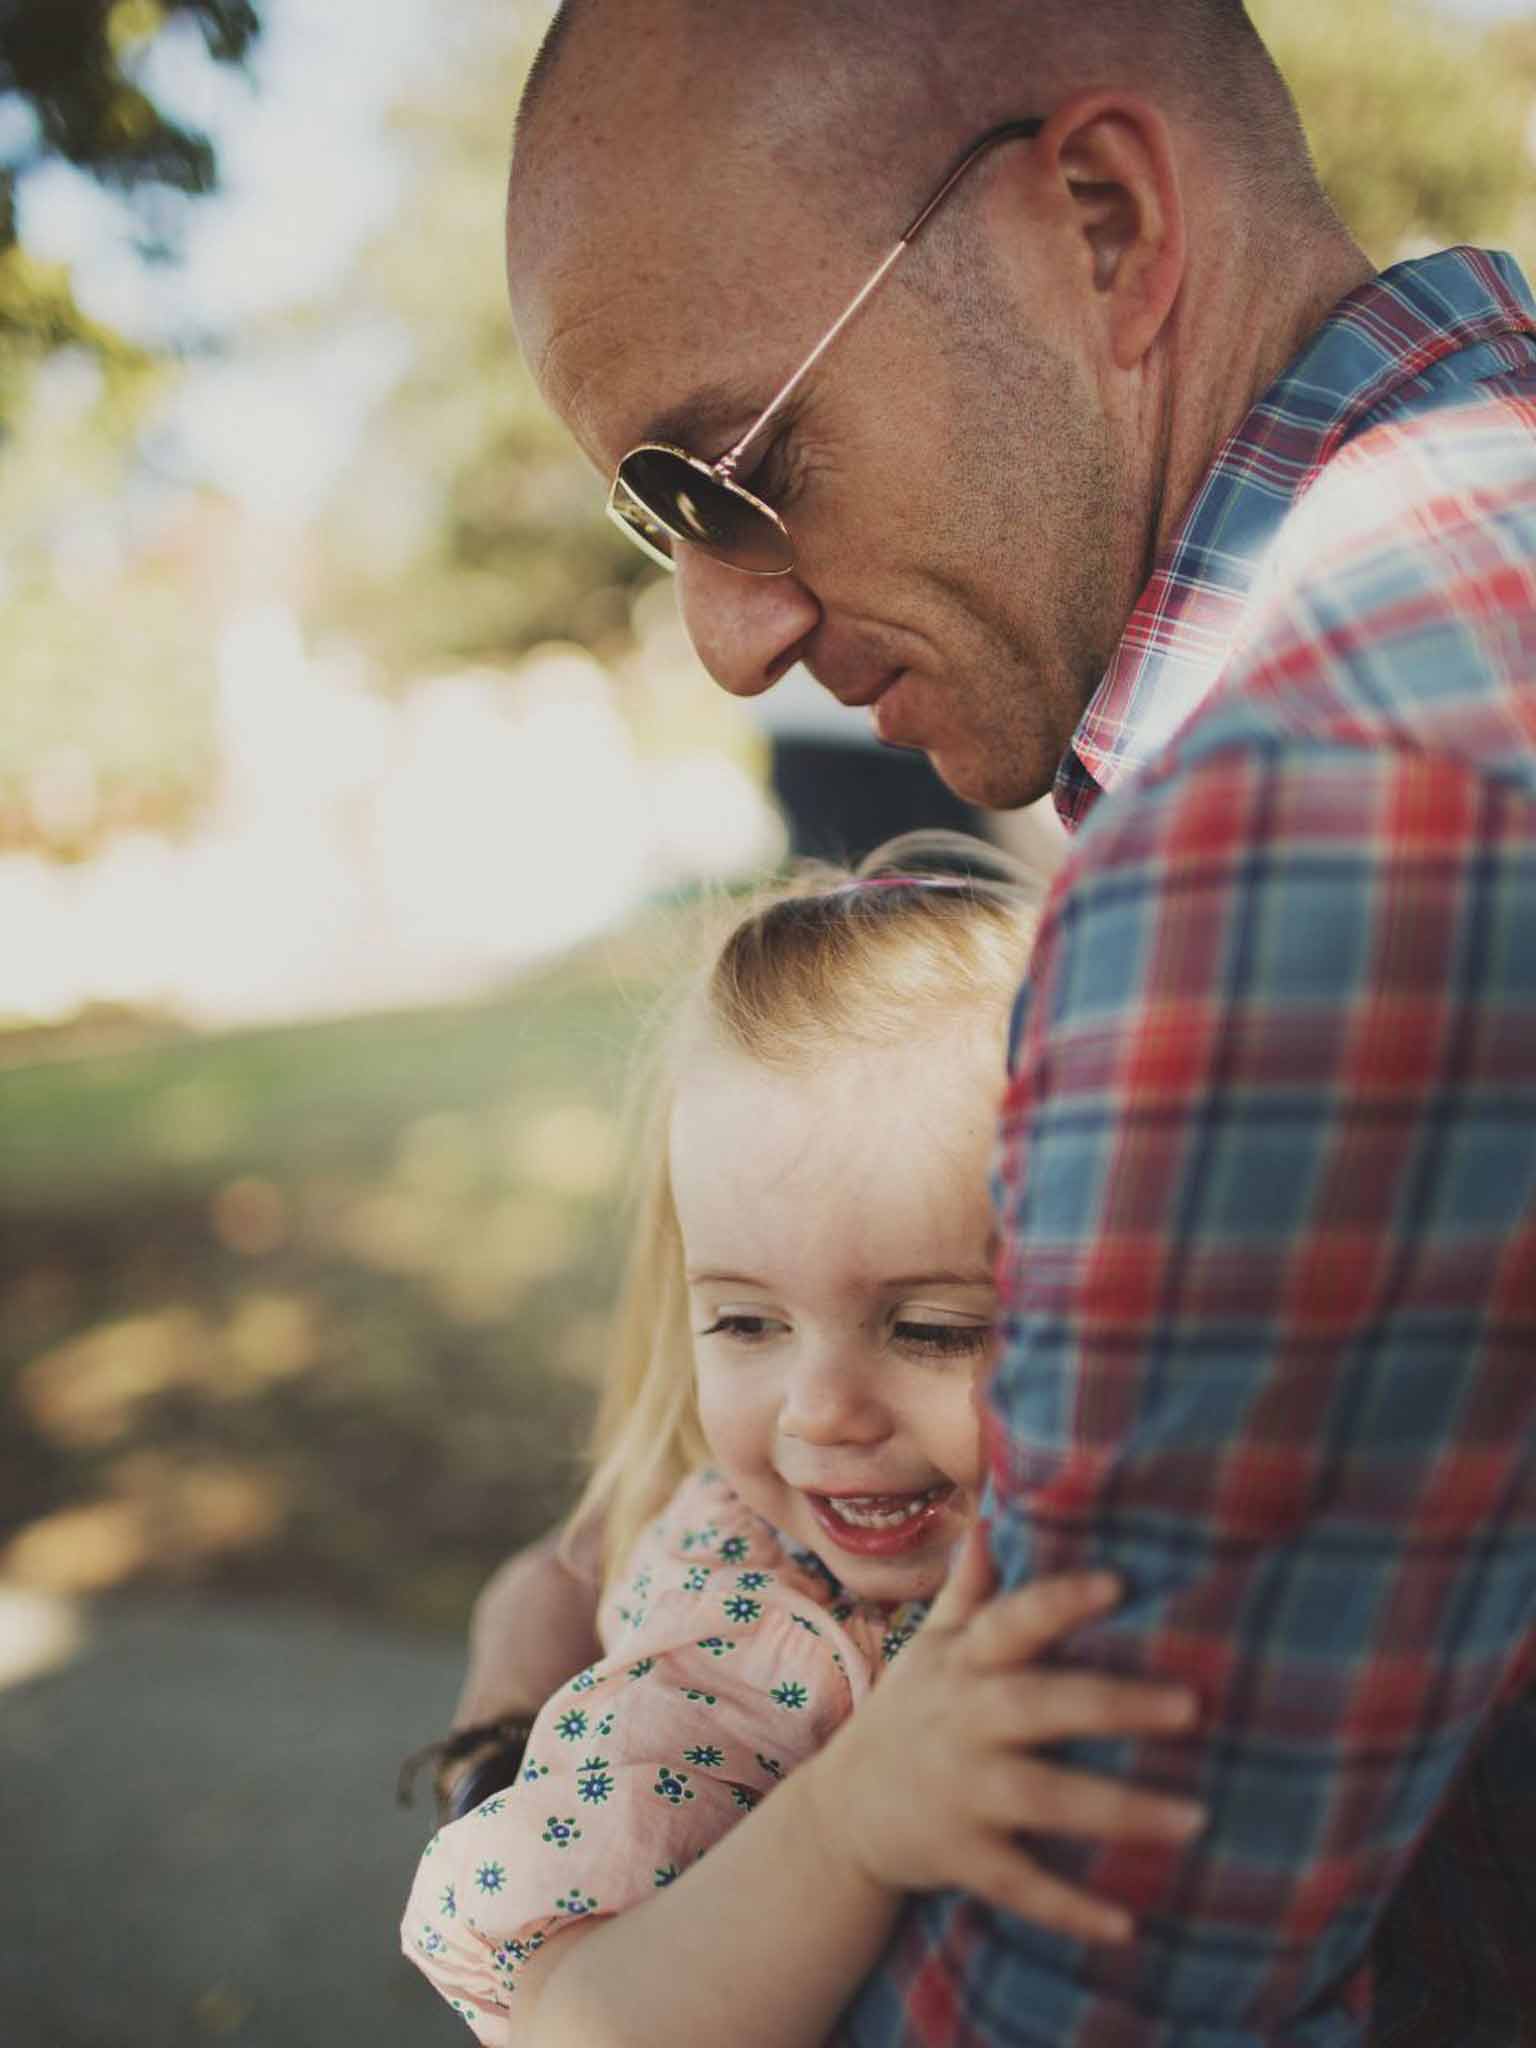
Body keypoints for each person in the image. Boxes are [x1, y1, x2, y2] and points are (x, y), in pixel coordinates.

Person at [469, 1, 1536, 2038]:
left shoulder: (1294, 846)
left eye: (738, 470)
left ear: (1106, 226)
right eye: (662, 523)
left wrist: (532, 1790)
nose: (728, 638)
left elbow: (1068, 2000)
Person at [403, 844, 1208, 2046]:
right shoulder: (739, 1631)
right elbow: (571, 2018)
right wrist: (846, 1824)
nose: (821, 1411)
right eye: (745, 1321)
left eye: (935, 1328)